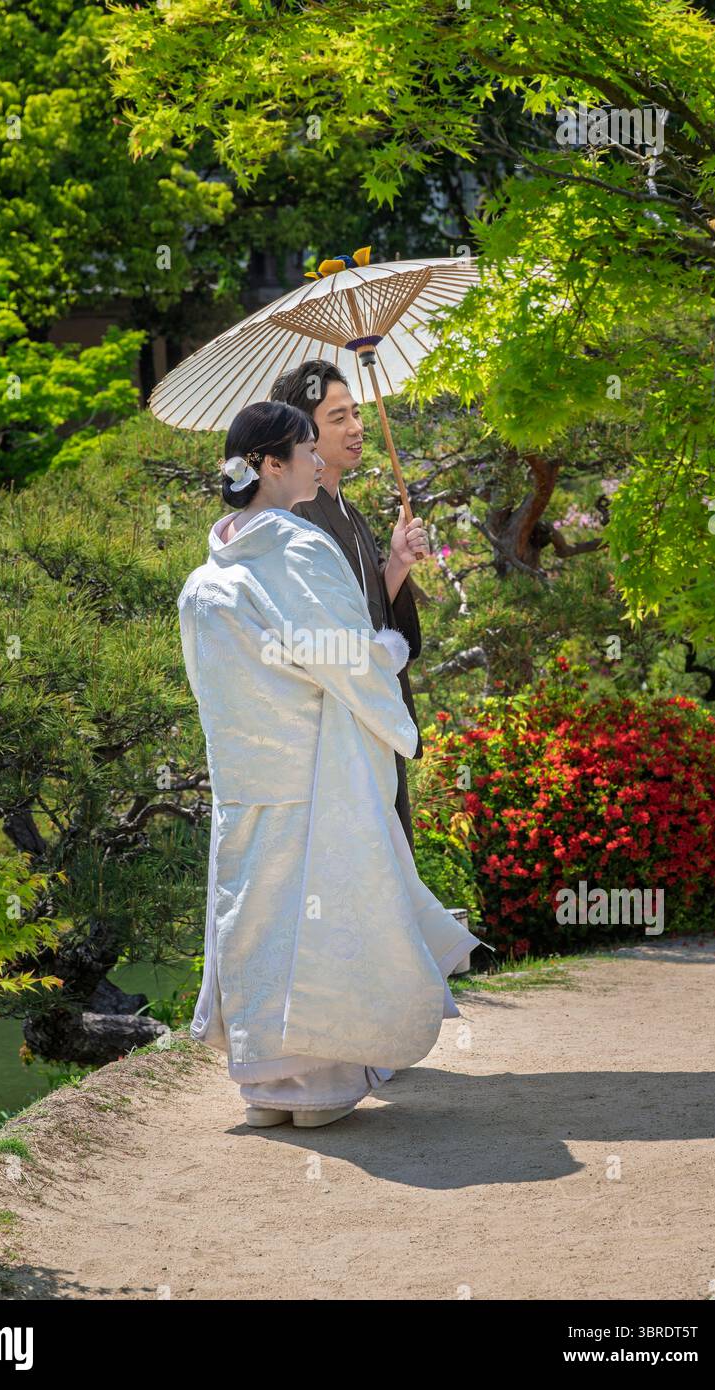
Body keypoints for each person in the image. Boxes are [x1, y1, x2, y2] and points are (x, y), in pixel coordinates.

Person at [177, 400, 492, 1130]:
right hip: (315, 770)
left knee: (255, 912)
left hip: (246, 778)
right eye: (306, 447)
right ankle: (316, 1087)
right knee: (322, 913)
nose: (322, 459)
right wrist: (387, 665)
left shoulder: (209, 570)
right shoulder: (296, 548)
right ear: (270, 465)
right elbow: (343, 659)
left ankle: (263, 1086)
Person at [271, 359, 428, 853]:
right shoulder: (294, 518)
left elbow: (371, 615)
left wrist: (397, 564)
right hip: (335, 720)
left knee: (389, 847)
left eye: (356, 414)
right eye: (338, 418)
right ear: (303, 433)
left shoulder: (350, 514)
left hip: (371, 708)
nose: (357, 428)